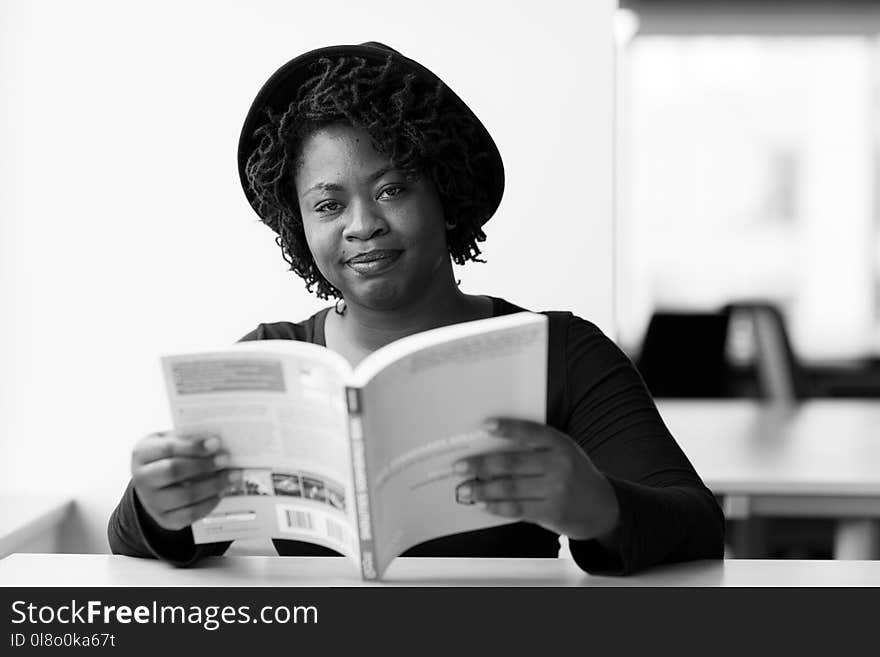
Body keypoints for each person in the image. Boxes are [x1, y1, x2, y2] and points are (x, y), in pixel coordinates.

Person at [108, 42, 724, 575]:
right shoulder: (269, 362)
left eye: (392, 189)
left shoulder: (560, 351)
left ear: (445, 194)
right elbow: (131, 543)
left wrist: (598, 505)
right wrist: (157, 503)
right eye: (328, 205)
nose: (363, 225)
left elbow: (698, 525)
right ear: (299, 228)